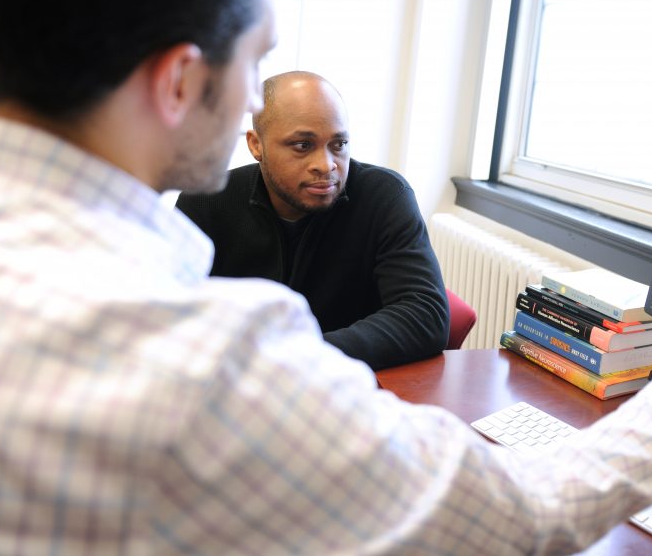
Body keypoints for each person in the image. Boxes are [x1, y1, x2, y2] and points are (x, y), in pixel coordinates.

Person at [0, 0, 652, 553]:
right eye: (256, 58)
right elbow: (534, 511)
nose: (325, 164)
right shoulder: (200, 361)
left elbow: (419, 311)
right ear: (180, 82)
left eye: (337, 142)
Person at [176, 71, 448, 370]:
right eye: (303, 145)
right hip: (235, 386)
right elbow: (173, 313)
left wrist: (299, 356)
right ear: (256, 145)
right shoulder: (207, 200)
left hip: (343, 387)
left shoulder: (384, 196)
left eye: (338, 144)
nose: (326, 165)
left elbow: (425, 315)